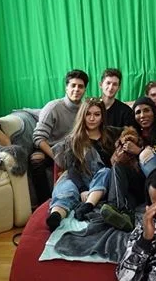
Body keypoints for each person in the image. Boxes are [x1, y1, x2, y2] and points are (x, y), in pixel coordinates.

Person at [100, 97, 156, 231]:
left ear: (154, 112)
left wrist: (139, 151)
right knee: (118, 168)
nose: (142, 115)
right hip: (134, 187)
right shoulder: (130, 134)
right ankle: (122, 212)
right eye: (138, 112)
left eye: (146, 110)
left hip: (155, 185)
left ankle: (116, 209)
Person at [46, 98, 119, 231]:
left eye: (97, 114)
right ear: (82, 115)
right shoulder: (73, 139)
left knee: (106, 171)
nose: (92, 118)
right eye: (88, 114)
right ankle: (56, 215)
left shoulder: (111, 134)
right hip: (78, 177)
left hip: (100, 179)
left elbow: (129, 133)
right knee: (66, 187)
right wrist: (82, 189)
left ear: (102, 117)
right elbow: (72, 168)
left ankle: (88, 205)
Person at [31, 69, 88, 205]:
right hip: (49, 149)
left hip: (72, 150)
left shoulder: (86, 109)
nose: (76, 89)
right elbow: (38, 138)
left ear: (85, 90)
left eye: (80, 86)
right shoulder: (53, 107)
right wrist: (57, 158)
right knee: (36, 161)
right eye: (73, 85)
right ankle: (44, 203)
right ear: (66, 87)